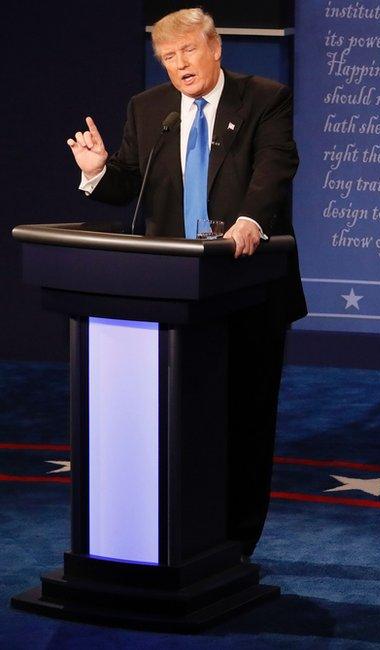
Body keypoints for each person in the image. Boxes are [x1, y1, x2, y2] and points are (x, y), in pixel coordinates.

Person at [66, 8, 307, 559]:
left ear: (215, 47)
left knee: (244, 420)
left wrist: (251, 221)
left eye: (189, 52)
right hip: (172, 293)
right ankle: (177, 538)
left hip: (248, 284)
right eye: (169, 59)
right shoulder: (148, 109)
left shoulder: (264, 98)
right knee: (175, 422)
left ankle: (236, 545)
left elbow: (275, 168)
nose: (181, 67)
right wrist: (99, 171)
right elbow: (133, 181)